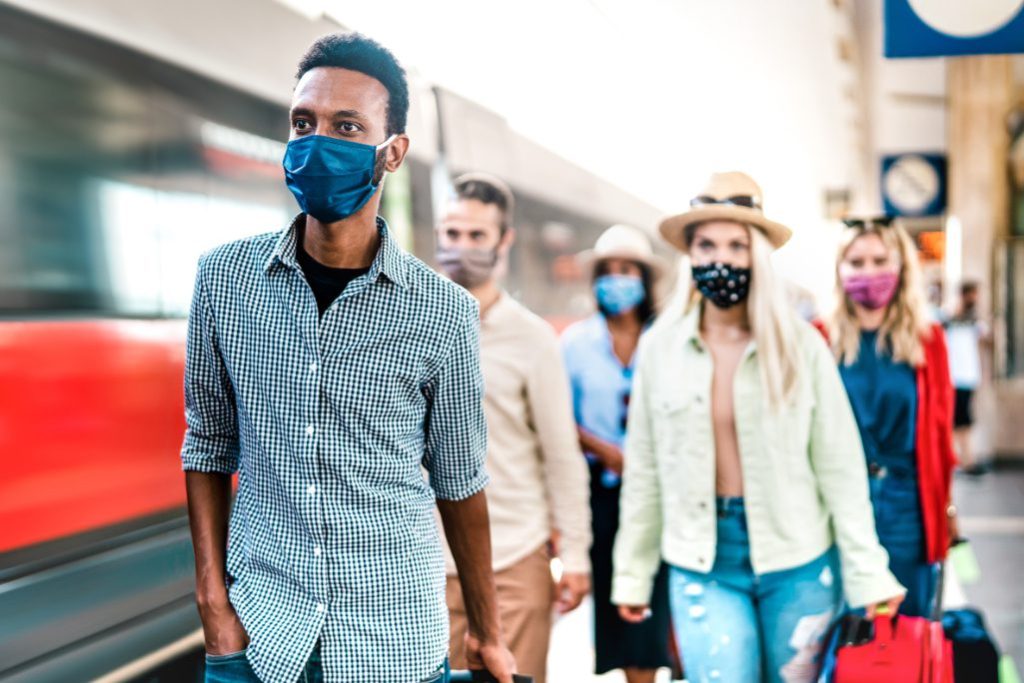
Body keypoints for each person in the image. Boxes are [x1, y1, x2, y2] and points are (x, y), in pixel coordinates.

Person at [181, 33, 514, 683]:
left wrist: (486, 632)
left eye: (346, 125)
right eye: (303, 122)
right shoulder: (222, 278)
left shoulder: (443, 311)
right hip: (259, 635)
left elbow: (459, 479)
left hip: (392, 639)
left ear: (392, 153)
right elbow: (207, 444)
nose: (315, 142)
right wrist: (213, 603)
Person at [612, 172, 905, 683]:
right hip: (703, 563)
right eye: (706, 245)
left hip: (799, 560)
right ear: (690, 256)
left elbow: (839, 466)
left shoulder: (801, 346)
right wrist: (633, 573)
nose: (720, 259)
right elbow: (645, 470)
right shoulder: (660, 347)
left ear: (758, 257)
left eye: (736, 245)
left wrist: (867, 570)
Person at [434, 172, 592, 683]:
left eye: (477, 236)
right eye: (453, 234)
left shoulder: (532, 339)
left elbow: (561, 454)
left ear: (503, 242)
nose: (462, 247)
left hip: (512, 562)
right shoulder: (408, 325)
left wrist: (575, 554)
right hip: (423, 565)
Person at [824, 215, 958, 617]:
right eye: (857, 262)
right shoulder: (818, 337)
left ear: (901, 266)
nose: (869, 272)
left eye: (880, 260)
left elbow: (940, 433)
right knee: (841, 636)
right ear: (839, 269)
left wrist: (946, 508)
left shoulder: (928, 341)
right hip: (837, 504)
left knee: (906, 634)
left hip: (907, 503)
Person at [561, 225, 674, 683]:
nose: (616, 279)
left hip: (665, 494)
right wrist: (603, 450)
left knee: (666, 604)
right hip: (603, 498)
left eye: (626, 270)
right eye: (607, 271)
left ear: (645, 278)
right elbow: (557, 419)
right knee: (622, 606)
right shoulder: (574, 345)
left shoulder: (667, 339)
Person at [946, 281, 988, 475]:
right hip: (956, 377)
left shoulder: (974, 320)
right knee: (959, 421)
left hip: (967, 377)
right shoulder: (949, 319)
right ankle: (962, 460)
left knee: (962, 420)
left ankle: (964, 459)